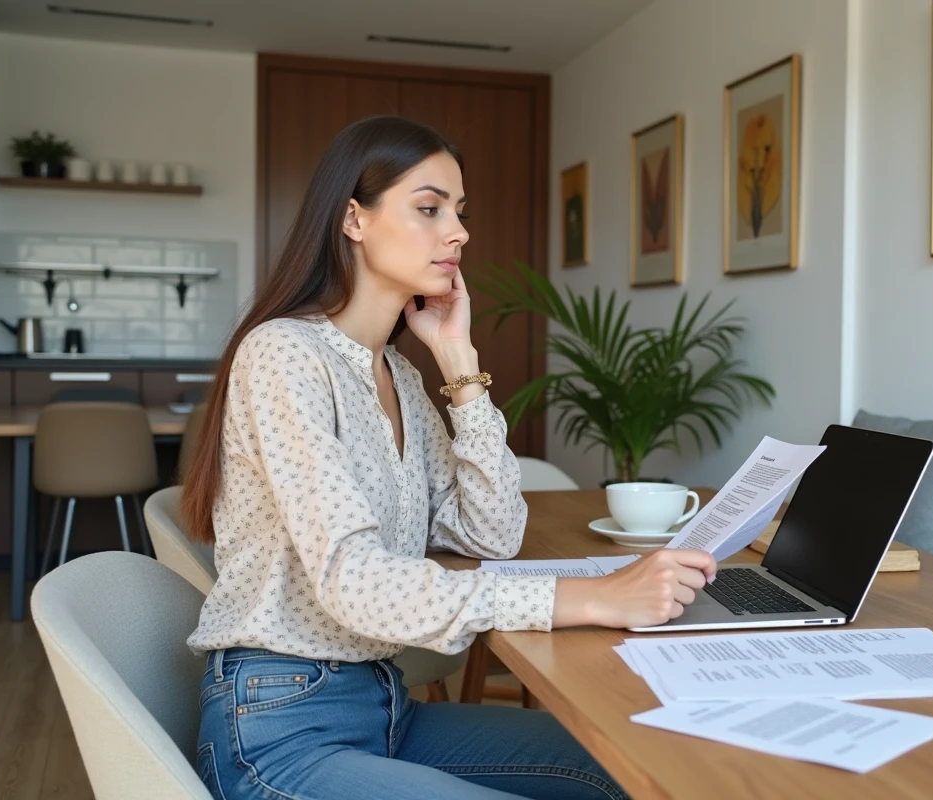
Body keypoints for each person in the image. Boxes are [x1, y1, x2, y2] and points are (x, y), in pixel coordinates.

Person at [180, 115, 717, 800]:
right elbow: (354, 581)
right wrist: (586, 599)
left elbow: (489, 535)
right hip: (279, 726)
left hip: (385, 706)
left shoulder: (400, 376)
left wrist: (460, 368)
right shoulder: (286, 354)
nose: (458, 231)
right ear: (354, 219)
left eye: (459, 212)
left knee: (624, 772)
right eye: (429, 208)